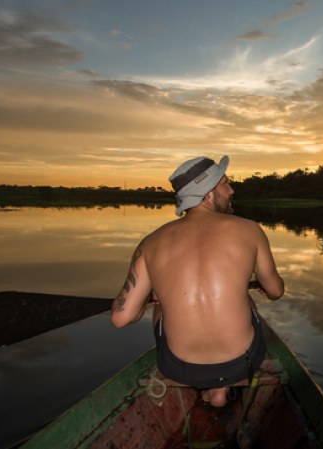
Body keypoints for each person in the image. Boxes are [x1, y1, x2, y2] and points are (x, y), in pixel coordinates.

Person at [111, 155, 285, 407]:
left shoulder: (151, 242)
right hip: (241, 363)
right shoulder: (250, 230)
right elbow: (276, 291)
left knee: (163, 301)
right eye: (225, 183)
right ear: (208, 194)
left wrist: (156, 296)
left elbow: (121, 317)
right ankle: (221, 387)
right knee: (242, 298)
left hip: (180, 368)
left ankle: (214, 387)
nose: (232, 189)